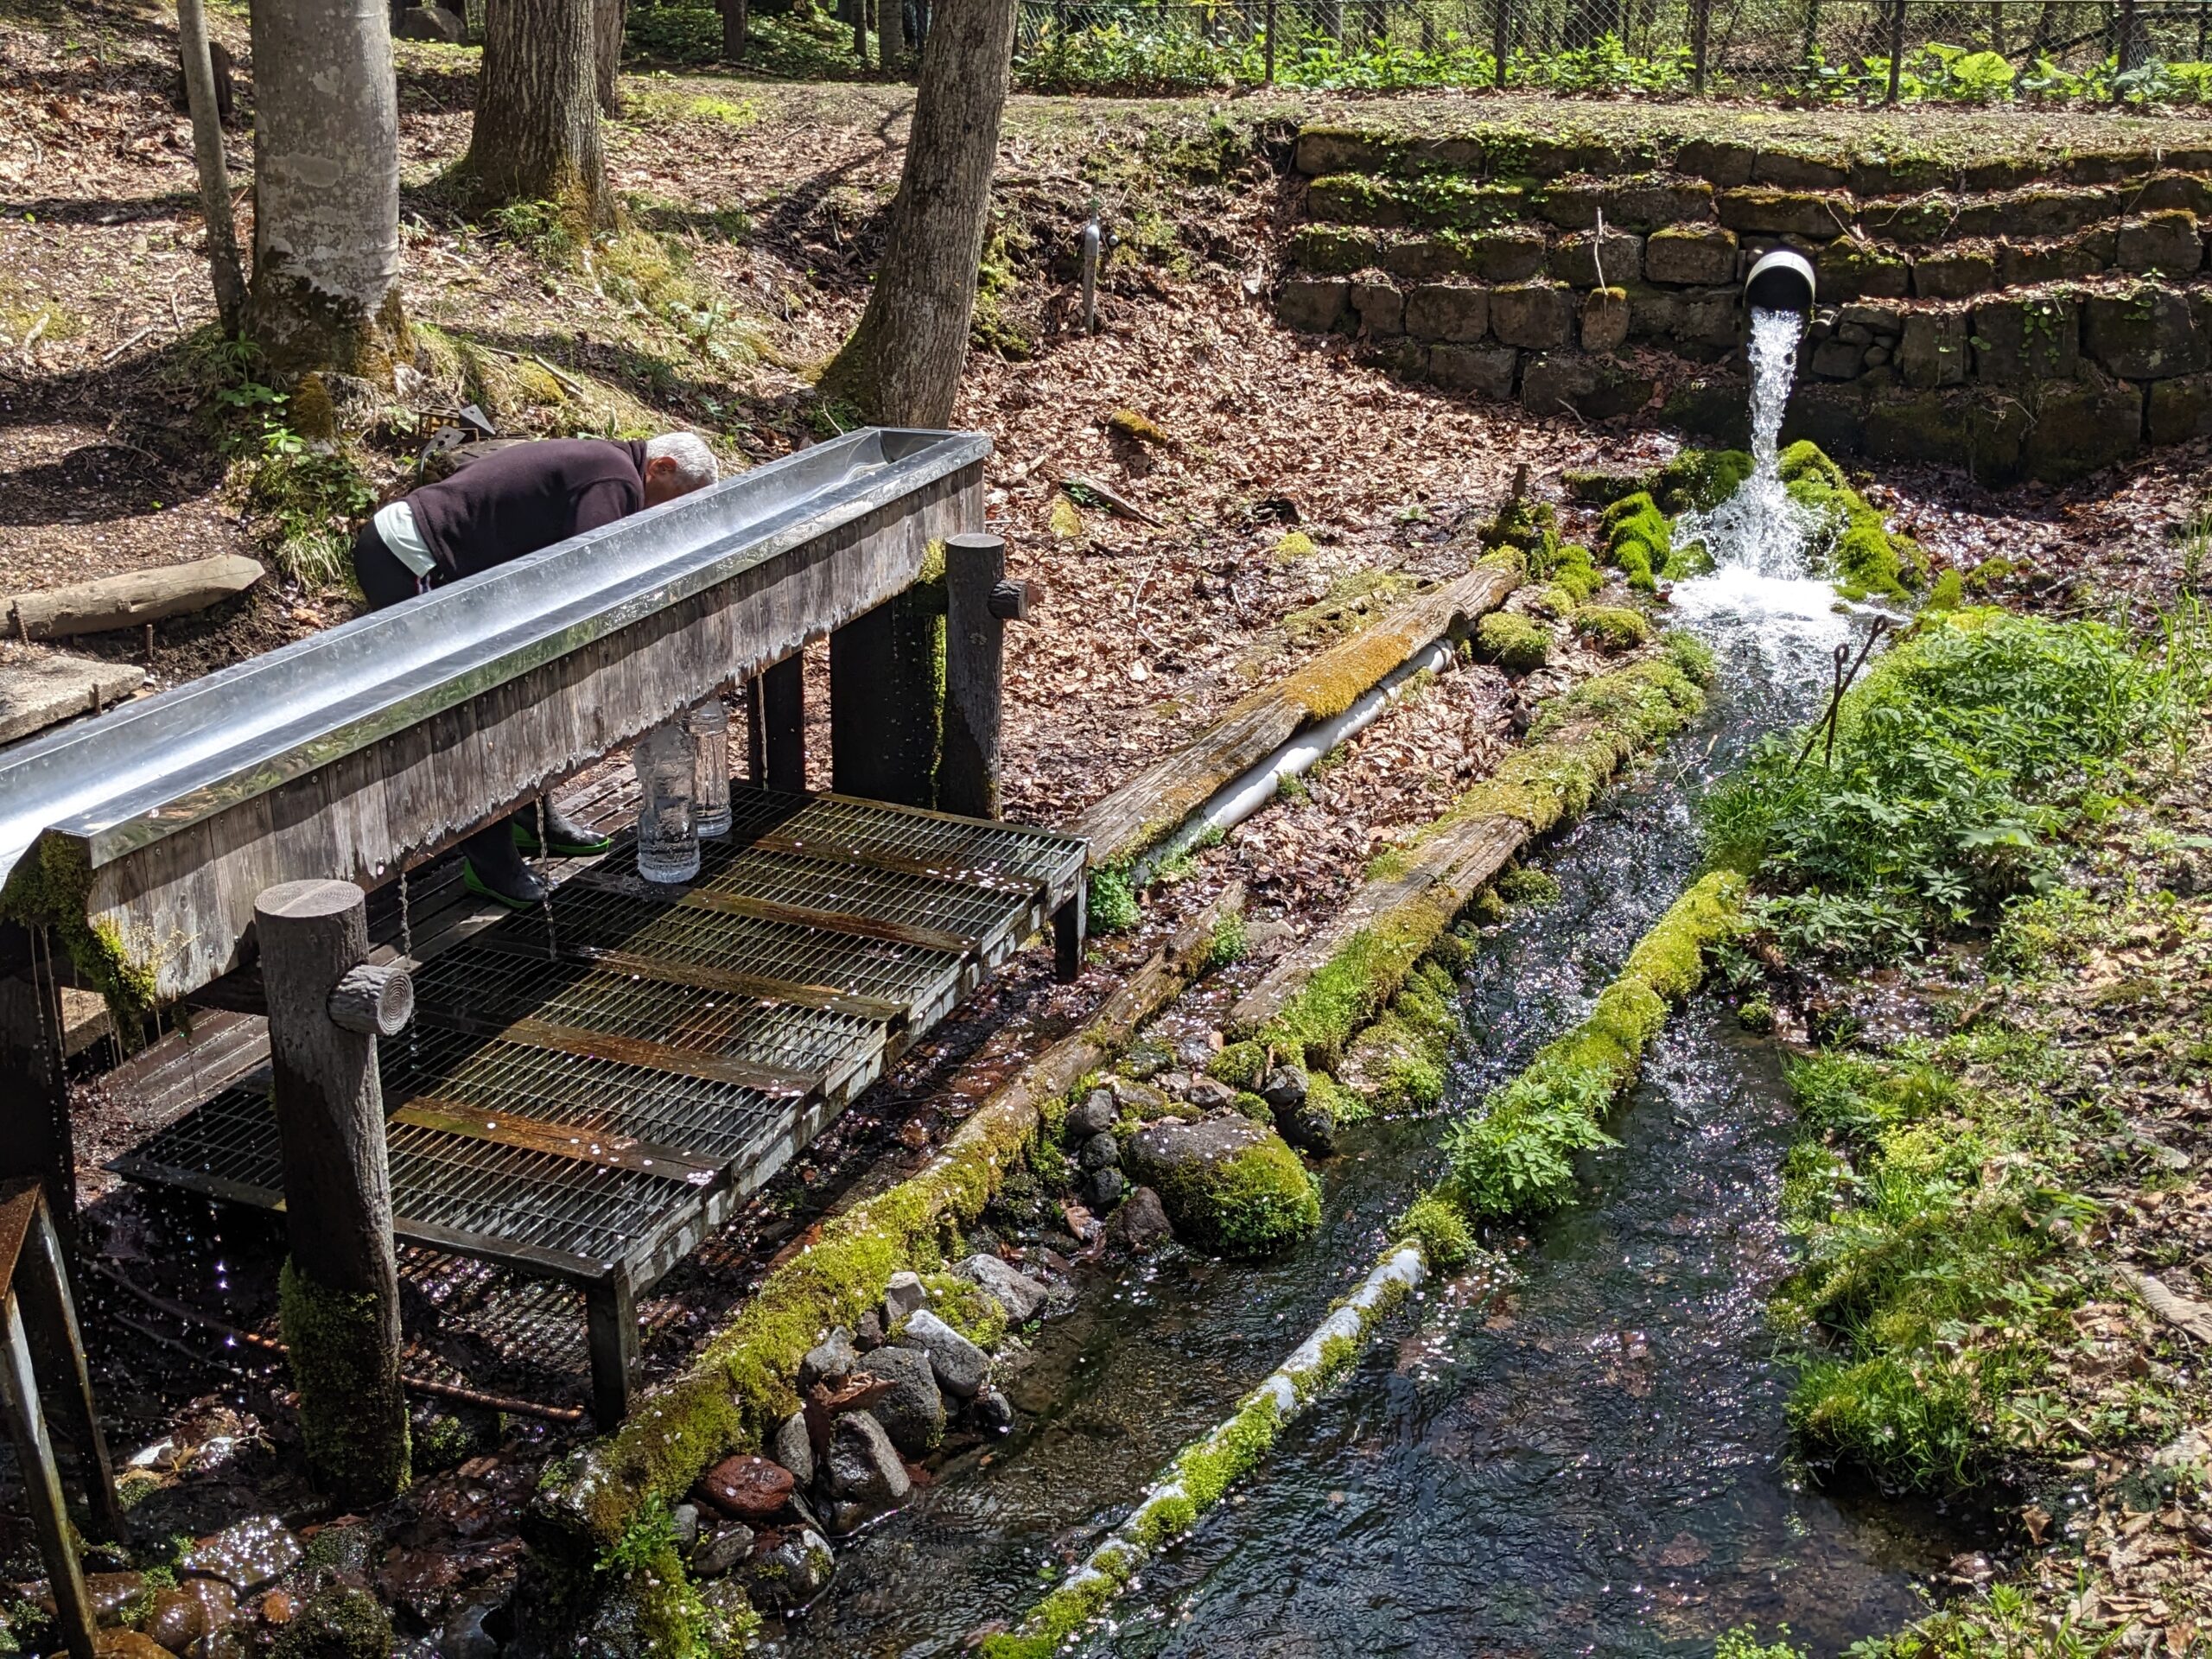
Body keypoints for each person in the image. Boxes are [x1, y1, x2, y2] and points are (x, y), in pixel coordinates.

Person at [351, 431, 720, 908]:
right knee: (470, 709)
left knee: (520, 692)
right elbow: (591, 571)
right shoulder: (615, 480)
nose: (672, 515)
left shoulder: (609, 470)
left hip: (461, 565)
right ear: (662, 467)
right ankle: (490, 861)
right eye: (678, 501)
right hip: (412, 553)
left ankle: (528, 817)